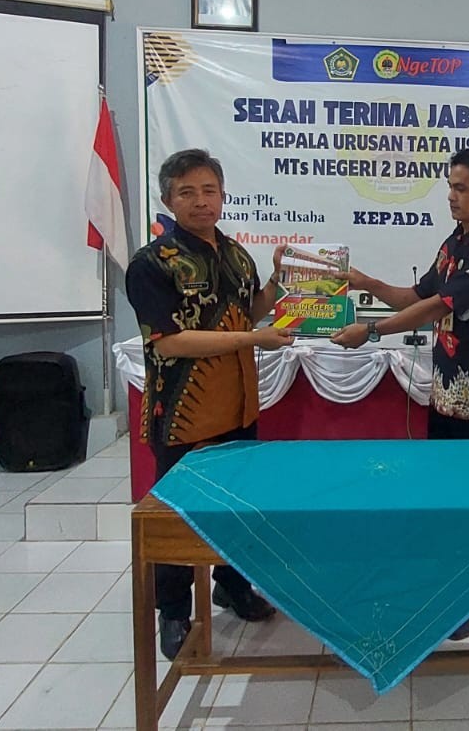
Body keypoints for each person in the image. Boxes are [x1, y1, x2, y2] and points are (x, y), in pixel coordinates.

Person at [330, 146, 469, 640]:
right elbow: (416, 297)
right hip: (446, 391)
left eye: (461, 188)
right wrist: (365, 282)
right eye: (449, 187)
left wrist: (372, 331)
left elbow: (438, 307)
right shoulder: (455, 242)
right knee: (446, 494)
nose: (451, 197)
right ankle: (450, 581)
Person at [124, 148, 295, 659]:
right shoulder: (151, 264)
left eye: (209, 190)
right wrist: (253, 340)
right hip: (185, 410)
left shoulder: (236, 255)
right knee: (179, 512)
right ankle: (174, 610)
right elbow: (170, 342)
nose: (201, 201)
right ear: (167, 200)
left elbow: (251, 311)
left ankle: (233, 585)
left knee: (238, 504)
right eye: (187, 192)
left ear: (222, 196)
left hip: (239, 407)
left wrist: (278, 282)